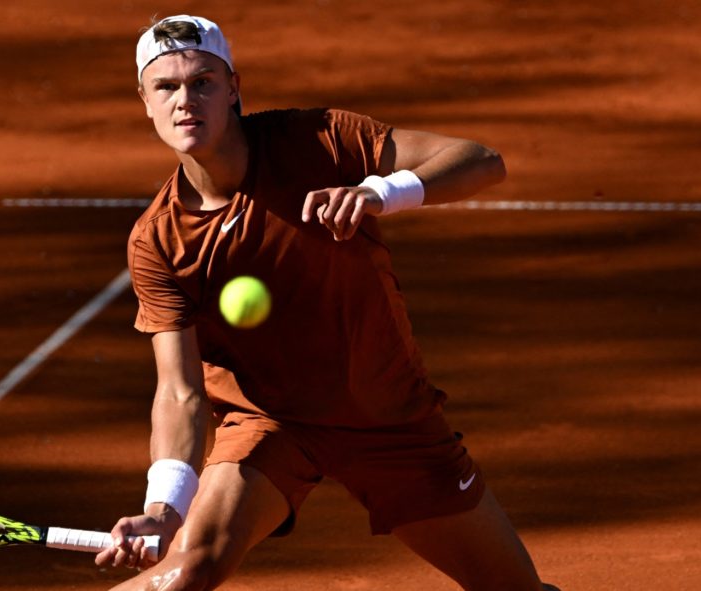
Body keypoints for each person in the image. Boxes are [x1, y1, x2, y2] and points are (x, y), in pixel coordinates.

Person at [94, 14, 559, 591]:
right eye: (166, 87)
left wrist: (378, 192)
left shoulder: (320, 141)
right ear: (144, 100)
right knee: (188, 570)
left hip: (386, 414)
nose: (185, 100)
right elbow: (180, 391)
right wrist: (164, 505)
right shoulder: (158, 241)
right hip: (273, 425)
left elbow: (483, 161)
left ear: (233, 89)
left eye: (203, 82)